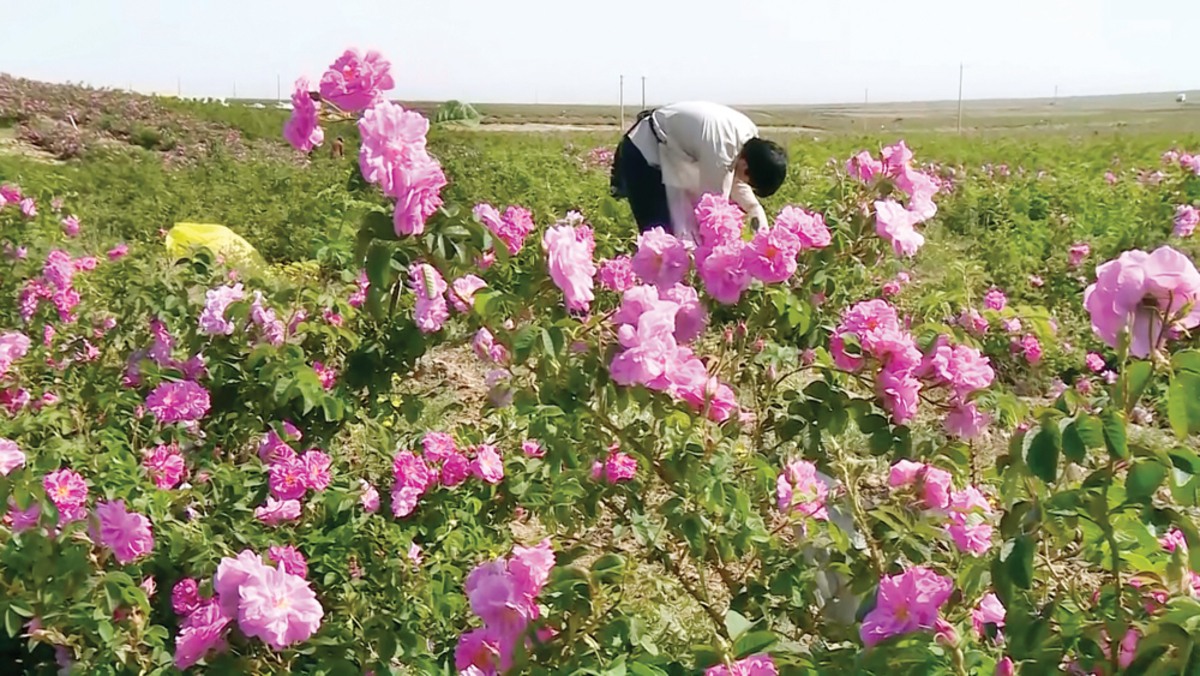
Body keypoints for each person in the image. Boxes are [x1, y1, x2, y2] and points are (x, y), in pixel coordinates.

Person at [610, 101, 788, 243]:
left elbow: (736, 181)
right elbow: (713, 211)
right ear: (746, 167)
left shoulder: (749, 135)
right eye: (751, 183)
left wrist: (754, 209)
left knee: (680, 230)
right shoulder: (721, 151)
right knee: (660, 235)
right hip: (644, 152)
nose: (745, 184)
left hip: (670, 150)